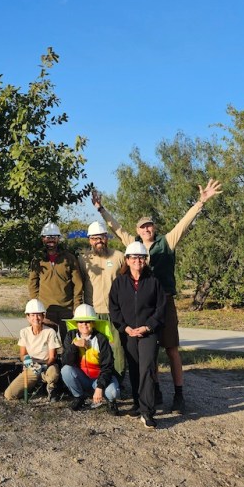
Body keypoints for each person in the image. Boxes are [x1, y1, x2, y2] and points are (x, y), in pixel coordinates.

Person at [95, 179, 222, 413]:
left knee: (171, 349)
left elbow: (183, 224)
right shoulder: (133, 245)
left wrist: (200, 203)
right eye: (142, 227)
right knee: (149, 353)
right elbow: (117, 228)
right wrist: (101, 209)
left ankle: (179, 394)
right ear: (137, 231)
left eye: (149, 226)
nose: (146, 229)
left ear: (154, 228)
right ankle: (153, 392)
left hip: (165, 302)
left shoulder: (166, 243)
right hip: (143, 305)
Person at [109, 242, 166, 429]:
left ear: (145, 260)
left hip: (148, 333)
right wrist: (125, 328)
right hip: (128, 333)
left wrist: (148, 327)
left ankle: (147, 412)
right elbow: (114, 309)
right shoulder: (119, 282)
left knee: (147, 368)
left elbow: (161, 308)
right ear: (127, 260)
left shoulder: (153, 281)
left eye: (141, 257)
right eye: (133, 257)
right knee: (134, 368)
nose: (138, 260)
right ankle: (138, 403)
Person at [78, 220, 126, 379]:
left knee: (117, 348)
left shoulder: (119, 256)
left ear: (107, 237)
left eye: (102, 237)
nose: (99, 241)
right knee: (94, 348)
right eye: (94, 238)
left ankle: (118, 380)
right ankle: (95, 380)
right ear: (89, 240)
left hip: (115, 311)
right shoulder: (84, 259)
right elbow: (79, 284)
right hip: (93, 312)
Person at [61, 304, 120, 415]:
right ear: (76, 323)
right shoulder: (70, 336)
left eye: (88, 321)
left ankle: (111, 402)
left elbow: (108, 366)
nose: (84, 324)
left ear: (93, 323)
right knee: (65, 370)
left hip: (99, 377)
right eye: (81, 321)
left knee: (113, 392)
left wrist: (100, 386)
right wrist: (74, 346)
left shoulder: (101, 339)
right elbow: (65, 361)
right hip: (82, 377)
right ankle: (79, 397)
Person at [28, 222, 85, 337]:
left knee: (69, 342)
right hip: (46, 310)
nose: (51, 240)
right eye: (47, 237)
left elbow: (78, 284)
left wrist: (77, 305)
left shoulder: (69, 258)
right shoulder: (38, 259)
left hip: (67, 309)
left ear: (58, 239)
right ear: (43, 239)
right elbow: (32, 283)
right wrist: (37, 305)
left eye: (54, 237)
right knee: (46, 342)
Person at [4, 299, 62, 401]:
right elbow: (23, 355)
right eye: (32, 315)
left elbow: (52, 356)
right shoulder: (24, 332)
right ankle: (34, 384)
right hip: (32, 367)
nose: (36, 318)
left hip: (47, 365)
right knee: (9, 395)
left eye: (39, 315)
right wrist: (29, 363)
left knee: (53, 373)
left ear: (43, 316)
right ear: (28, 317)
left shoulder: (50, 332)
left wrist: (44, 366)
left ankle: (51, 388)